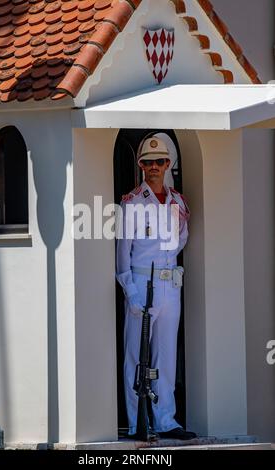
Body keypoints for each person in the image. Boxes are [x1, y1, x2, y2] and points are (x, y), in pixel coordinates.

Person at [116, 135, 197, 440]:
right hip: (140, 282)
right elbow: (123, 251)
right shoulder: (133, 202)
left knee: (166, 355)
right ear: (141, 166)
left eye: (159, 162)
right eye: (147, 163)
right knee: (136, 356)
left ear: (167, 164)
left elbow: (183, 236)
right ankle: (138, 422)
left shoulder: (178, 201)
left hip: (168, 285)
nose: (153, 167)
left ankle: (166, 420)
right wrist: (131, 291)